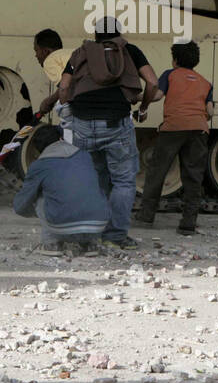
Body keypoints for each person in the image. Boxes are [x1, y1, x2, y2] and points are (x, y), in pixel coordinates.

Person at [57, 16, 159, 250]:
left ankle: (85, 235)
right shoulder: (130, 50)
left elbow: (64, 87)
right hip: (116, 124)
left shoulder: (80, 52)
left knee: (91, 179)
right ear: (118, 34)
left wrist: (66, 106)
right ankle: (114, 236)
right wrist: (143, 108)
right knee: (123, 181)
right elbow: (152, 82)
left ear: (95, 35)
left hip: (82, 123)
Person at [132, 40, 213, 235]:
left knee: (157, 171)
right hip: (199, 130)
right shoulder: (205, 82)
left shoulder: (170, 75)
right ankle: (188, 224)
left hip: (173, 129)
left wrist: (137, 99)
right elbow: (209, 111)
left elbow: (157, 95)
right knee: (193, 177)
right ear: (196, 61)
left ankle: (146, 215)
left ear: (175, 59)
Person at [13, 126, 110, 254]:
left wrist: (31, 212)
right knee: (89, 190)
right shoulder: (85, 156)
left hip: (62, 229)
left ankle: (51, 244)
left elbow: (21, 206)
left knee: (41, 196)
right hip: (98, 226)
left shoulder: (39, 165)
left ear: (38, 149)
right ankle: (91, 245)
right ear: (61, 138)